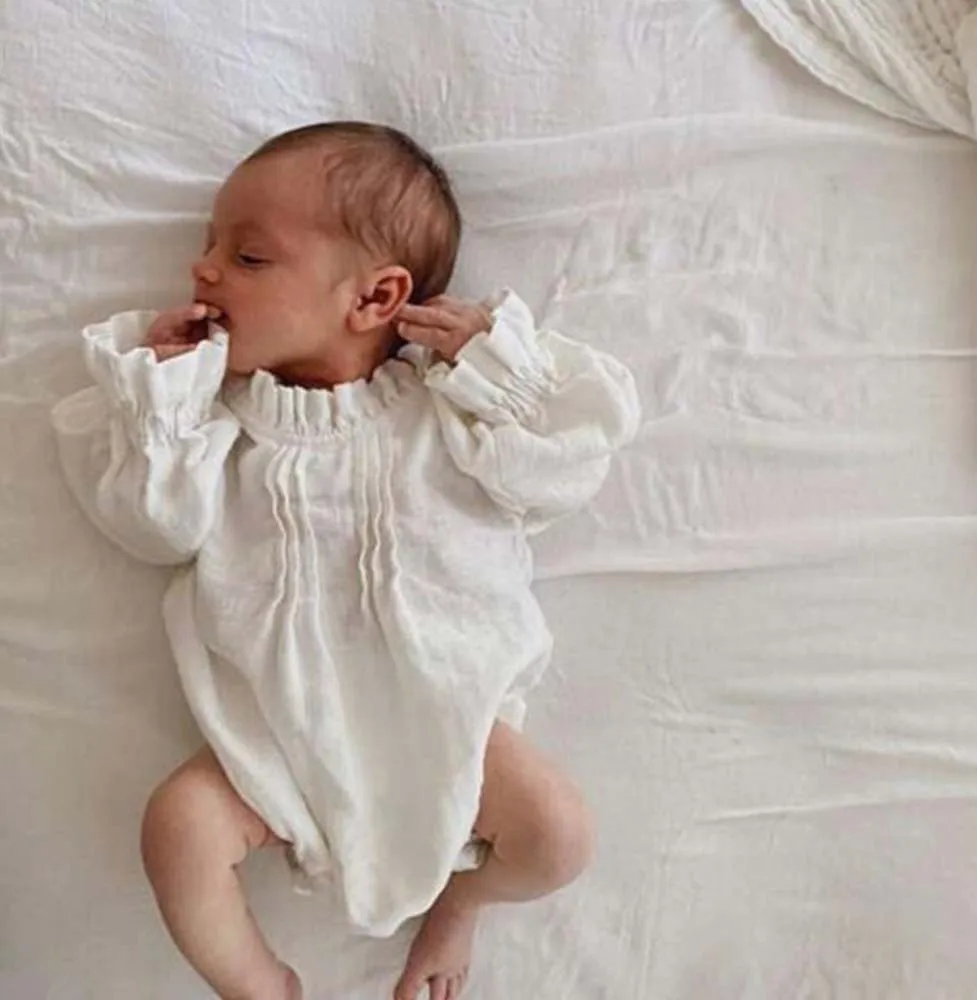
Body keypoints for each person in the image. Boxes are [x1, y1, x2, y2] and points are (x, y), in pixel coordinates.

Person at [52, 121, 640, 1000]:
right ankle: (262, 986)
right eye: (208, 246)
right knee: (177, 828)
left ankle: (459, 904)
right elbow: (154, 528)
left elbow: (568, 465)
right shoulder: (221, 423)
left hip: (446, 722)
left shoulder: (447, 412)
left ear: (374, 297)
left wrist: (497, 369)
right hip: (274, 739)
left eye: (248, 256)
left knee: (559, 836)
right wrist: (163, 399)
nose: (202, 270)